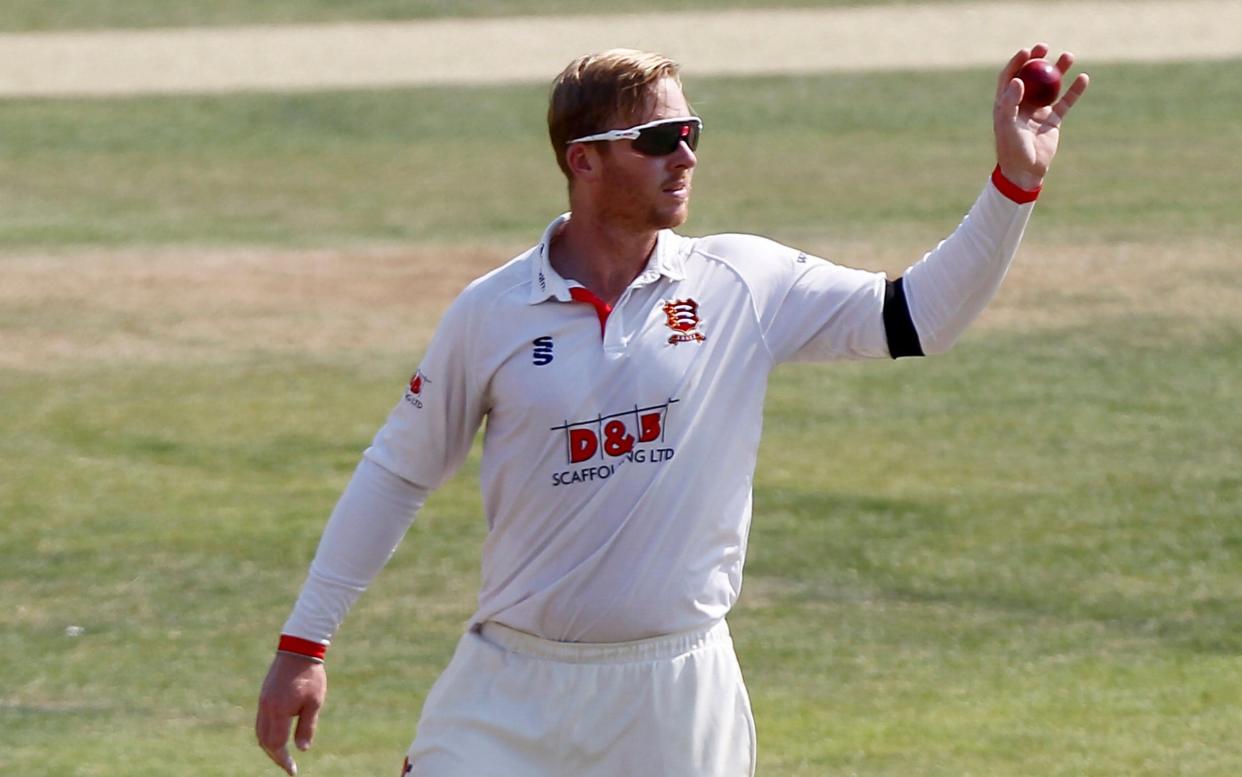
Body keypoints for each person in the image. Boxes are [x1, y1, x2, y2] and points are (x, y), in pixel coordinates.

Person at [256, 46, 1089, 777]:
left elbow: (922, 317)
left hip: (678, 695)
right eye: (657, 140)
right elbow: (398, 474)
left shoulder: (742, 283)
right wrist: (305, 643)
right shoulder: (491, 312)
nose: (683, 156)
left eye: (692, 133)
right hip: (511, 687)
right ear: (583, 162)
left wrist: (1015, 182)